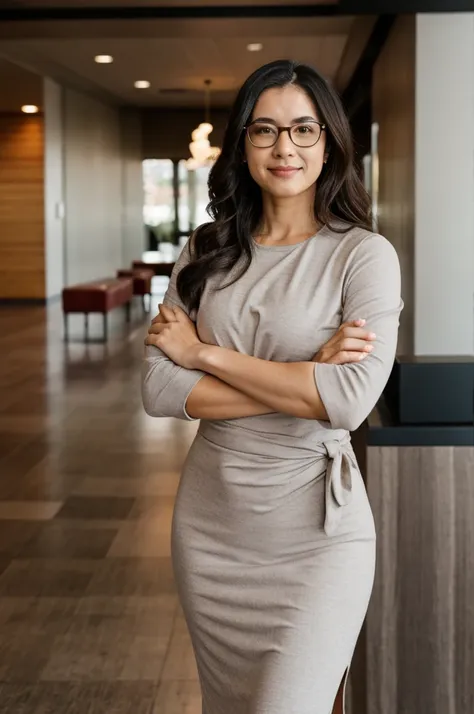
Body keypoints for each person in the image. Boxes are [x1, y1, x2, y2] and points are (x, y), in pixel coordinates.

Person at [142, 59, 403, 714]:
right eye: (264, 130)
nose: (284, 147)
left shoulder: (363, 255)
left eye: (303, 129)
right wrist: (304, 373)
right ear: (242, 144)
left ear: (329, 141)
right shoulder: (206, 252)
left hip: (316, 533)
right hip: (212, 528)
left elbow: (347, 400)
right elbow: (158, 389)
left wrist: (203, 353)